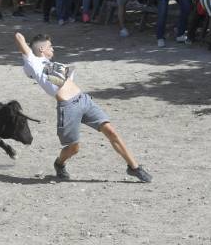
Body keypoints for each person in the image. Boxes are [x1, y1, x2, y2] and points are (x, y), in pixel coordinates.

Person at [13, 32, 152, 183]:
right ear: (41, 49)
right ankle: (59, 164)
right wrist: (28, 50)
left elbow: (60, 79)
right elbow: (18, 36)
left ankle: (134, 167)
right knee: (74, 148)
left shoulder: (52, 65)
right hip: (68, 108)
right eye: (50, 46)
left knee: (111, 132)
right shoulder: (34, 63)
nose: (53, 49)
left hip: (84, 100)